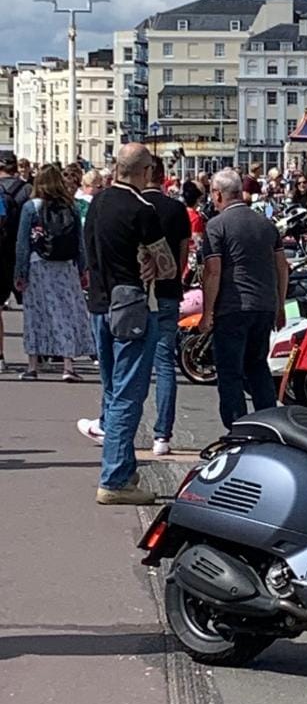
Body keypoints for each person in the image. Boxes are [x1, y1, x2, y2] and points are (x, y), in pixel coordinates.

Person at [81, 143, 177, 505]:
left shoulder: (98, 204)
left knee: (111, 389)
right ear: (146, 171)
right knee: (128, 393)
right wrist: (151, 264)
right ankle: (116, 478)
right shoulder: (142, 209)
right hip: (132, 304)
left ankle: (120, 463)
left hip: (100, 302)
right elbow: (167, 266)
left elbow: (88, 253)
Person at [200, 168, 288, 429]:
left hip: (233, 307)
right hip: (263, 305)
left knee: (230, 372)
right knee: (258, 366)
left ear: (217, 194)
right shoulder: (266, 224)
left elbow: (213, 271)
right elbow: (282, 267)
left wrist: (207, 313)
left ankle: (237, 426)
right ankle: (269, 424)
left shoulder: (216, 226)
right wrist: (279, 306)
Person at [13, 163, 91, 382]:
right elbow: (80, 241)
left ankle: (32, 366)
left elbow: (22, 244)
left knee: (35, 315)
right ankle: (68, 365)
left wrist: (20, 273)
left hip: (38, 265)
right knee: (66, 314)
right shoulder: (71, 206)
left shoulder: (31, 207)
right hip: (66, 267)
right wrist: (82, 268)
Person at [142, 156, 191, 457]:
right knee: (165, 364)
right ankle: (163, 434)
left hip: (137, 291)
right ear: (162, 176)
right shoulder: (176, 209)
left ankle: (118, 426)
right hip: (169, 290)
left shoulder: (134, 206)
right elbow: (184, 255)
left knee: (133, 362)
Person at [0, 150, 31, 373]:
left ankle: (1, 355)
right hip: (25, 253)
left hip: (1, 253)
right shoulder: (28, 190)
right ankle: (39, 354)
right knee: (32, 306)